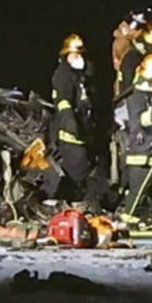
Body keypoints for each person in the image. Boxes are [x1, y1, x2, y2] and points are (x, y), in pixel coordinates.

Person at [51, 34, 100, 210]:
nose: (78, 58)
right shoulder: (63, 76)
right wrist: (72, 125)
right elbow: (63, 103)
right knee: (78, 174)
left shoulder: (84, 78)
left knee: (89, 173)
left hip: (85, 134)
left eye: (80, 54)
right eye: (74, 55)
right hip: (70, 137)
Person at [121, 53, 152, 224]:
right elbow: (140, 119)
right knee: (138, 188)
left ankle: (143, 216)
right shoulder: (137, 95)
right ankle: (130, 217)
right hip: (140, 149)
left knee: (148, 187)